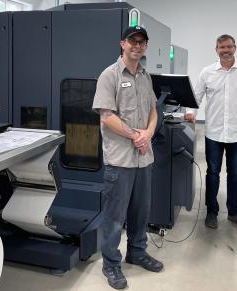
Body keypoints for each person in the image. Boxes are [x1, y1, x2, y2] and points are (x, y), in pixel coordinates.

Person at [92, 26, 163, 290]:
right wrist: (136, 136)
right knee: (114, 216)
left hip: (144, 159)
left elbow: (154, 110)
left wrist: (149, 132)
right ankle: (111, 264)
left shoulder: (146, 76)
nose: (137, 46)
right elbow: (106, 115)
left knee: (140, 211)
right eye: (132, 41)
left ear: (145, 46)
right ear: (123, 43)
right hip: (120, 160)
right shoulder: (108, 75)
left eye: (142, 42)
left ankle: (137, 251)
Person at [185, 34, 237, 230]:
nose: (225, 50)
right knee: (213, 173)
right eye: (221, 47)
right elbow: (197, 96)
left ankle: (234, 212)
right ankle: (211, 212)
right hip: (214, 133)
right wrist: (191, 113)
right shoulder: (207, 72)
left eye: (229, 47)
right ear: (216, 50)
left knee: (235, 173)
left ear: (235, 47)